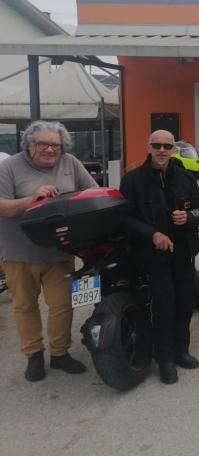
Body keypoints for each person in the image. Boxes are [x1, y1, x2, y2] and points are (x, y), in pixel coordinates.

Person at [0, 121, 97, 382]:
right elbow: (2, 207)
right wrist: (31, 200)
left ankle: (59, 353)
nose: (50, 150)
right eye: (43, 144)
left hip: (59, 251)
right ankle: (33, 355)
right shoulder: (8, 167)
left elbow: (91, 192)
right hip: (19, 253)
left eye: (55, 145)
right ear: (29, 145)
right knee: (25, 305)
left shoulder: (70, 163)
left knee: (62, 305)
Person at [120, 130, 199, 384]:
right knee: (164, 303)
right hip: (153, 252)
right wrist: (153, 234)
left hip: (183, 250)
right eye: (157, 145)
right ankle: (165, 358)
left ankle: (182, 351)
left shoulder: (185, 177)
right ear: (148, 147)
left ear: (172, 149)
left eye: (167, 146)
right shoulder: (133, 180)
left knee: (183, 302)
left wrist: (189, 217)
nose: (162, 150)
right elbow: (125, 218)